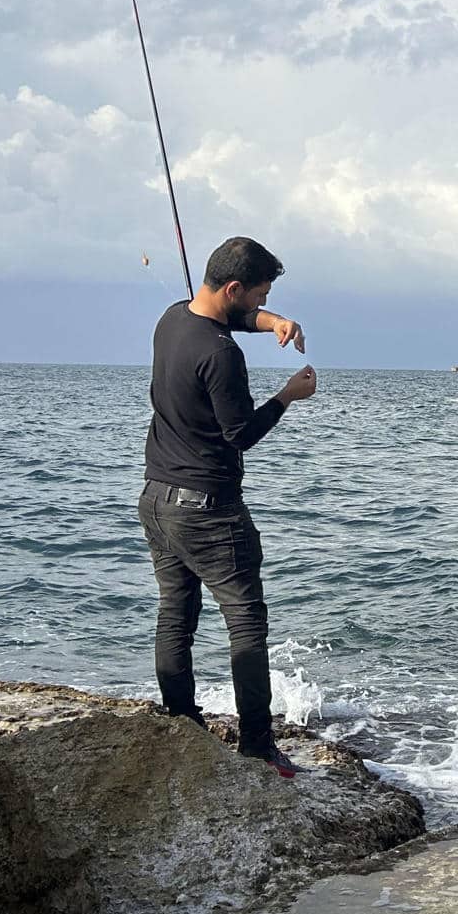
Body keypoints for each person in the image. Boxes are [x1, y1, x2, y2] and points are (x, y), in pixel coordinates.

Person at [139, 237, 317, 775]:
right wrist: (288, 395)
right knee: (246, 622)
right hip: (208, 509)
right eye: (259, 295)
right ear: (235, 289)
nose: (261, 303)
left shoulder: (173, 319)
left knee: (177, 612)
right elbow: (240, 434)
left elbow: (231, 320)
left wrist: (273, 321)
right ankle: (259, 746)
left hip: (155, 500)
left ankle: (180, 722)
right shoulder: (220, 353)